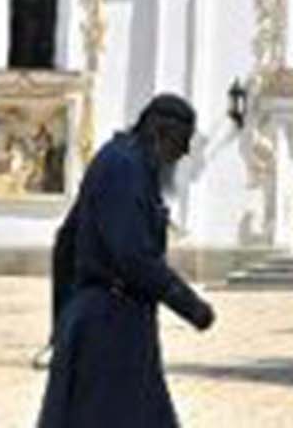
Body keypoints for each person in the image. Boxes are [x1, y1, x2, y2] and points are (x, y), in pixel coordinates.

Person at [37, 95, 216, 427]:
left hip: (112, 319)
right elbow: (133, 256)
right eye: (183, 141)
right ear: (161, 133)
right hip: (110, 324)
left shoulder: (125, 163)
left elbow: (66, 242)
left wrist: (64, 319)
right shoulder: (124, 168)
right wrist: (190, 306)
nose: (184, 153)